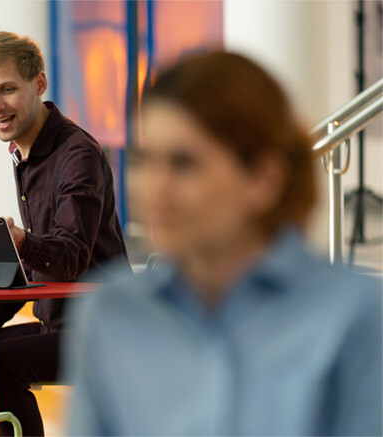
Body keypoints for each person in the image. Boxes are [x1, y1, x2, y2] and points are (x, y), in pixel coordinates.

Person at [65, 51, 383, 436]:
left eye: (184, 163)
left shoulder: (353, 312)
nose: (155, 188)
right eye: (143, 160)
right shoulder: (110, 315)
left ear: (263, 178)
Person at [0, 31, 130, 435]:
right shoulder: (25, 152)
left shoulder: (76, 155)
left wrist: (18, 239)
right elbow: (38, 262)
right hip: (55, 322)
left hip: (100, 327)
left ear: (38, 84)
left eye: (7, 89)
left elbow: (69, 256)